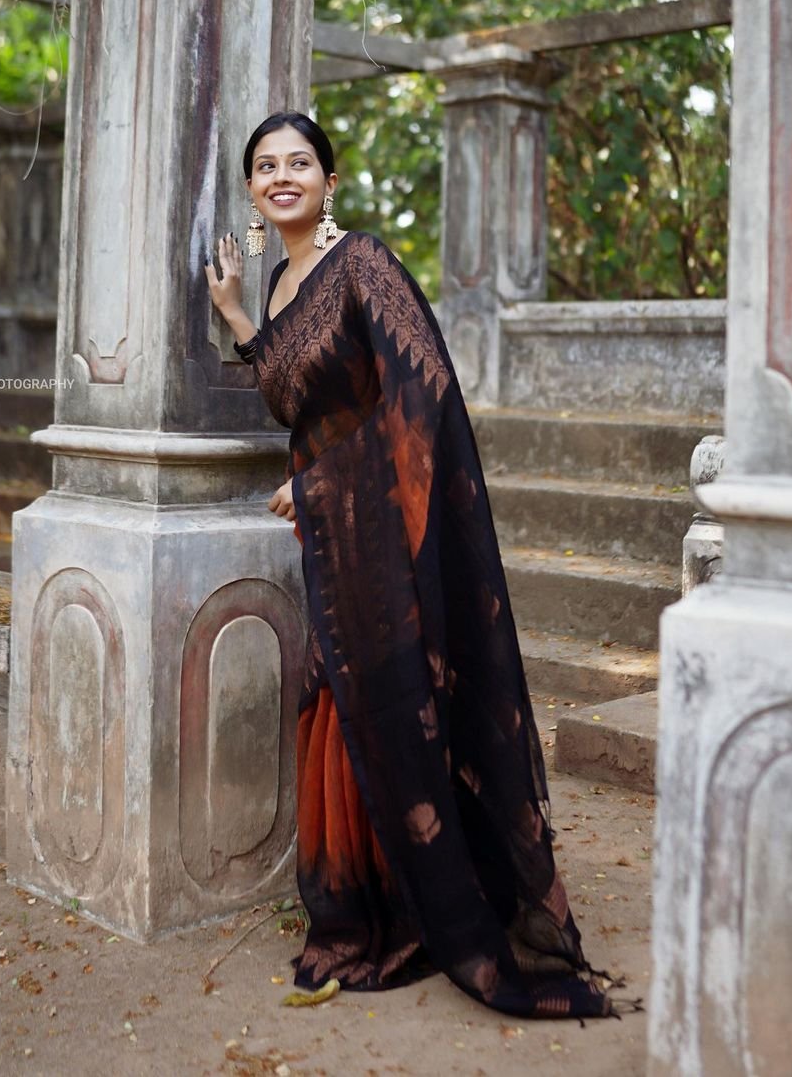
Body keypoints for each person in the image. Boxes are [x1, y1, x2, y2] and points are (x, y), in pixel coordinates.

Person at [205, 112, 630, 1020]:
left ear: (328, 179)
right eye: (266, 167)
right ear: (251, 190)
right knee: (336, 706)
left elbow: (425, 389)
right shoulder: (280, 282)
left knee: (397, 701)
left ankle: (435, 911)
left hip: (381, 527)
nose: (283, 177)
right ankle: (363, 908)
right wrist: (240, 315)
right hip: (328, 536)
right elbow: (290, 391)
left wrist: (323, 480)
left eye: (299, 163)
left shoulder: (362, 263)